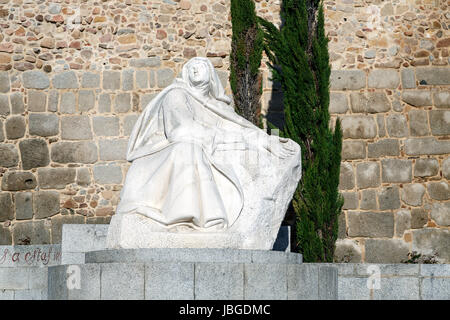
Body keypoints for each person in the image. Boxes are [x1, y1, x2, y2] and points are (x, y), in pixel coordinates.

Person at [116, 57, 296, 232]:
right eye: (191, 66)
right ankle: (184, 217)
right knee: (188, 149)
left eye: (201, 65)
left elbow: (237, 129)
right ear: (185, 73)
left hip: (204, 148)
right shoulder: (176, 94)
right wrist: (222, 138)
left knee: (248, 156)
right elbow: (181, 131)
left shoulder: (217, 107)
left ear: (210, 75)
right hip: (163, 154)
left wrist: (263, 140)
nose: (195, 68)